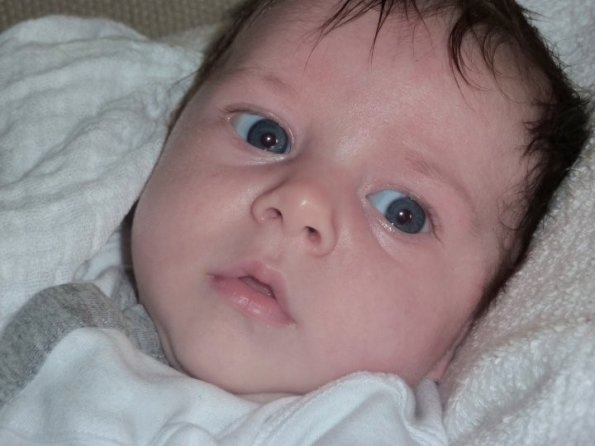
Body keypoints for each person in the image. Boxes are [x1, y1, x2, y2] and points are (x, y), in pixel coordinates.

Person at [0, 0, 590, 444]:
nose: (302, 201)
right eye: (266, 134)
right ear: (175, 124)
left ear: (465, 330)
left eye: (401, 213)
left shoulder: (355, 428)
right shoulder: (62, 252)